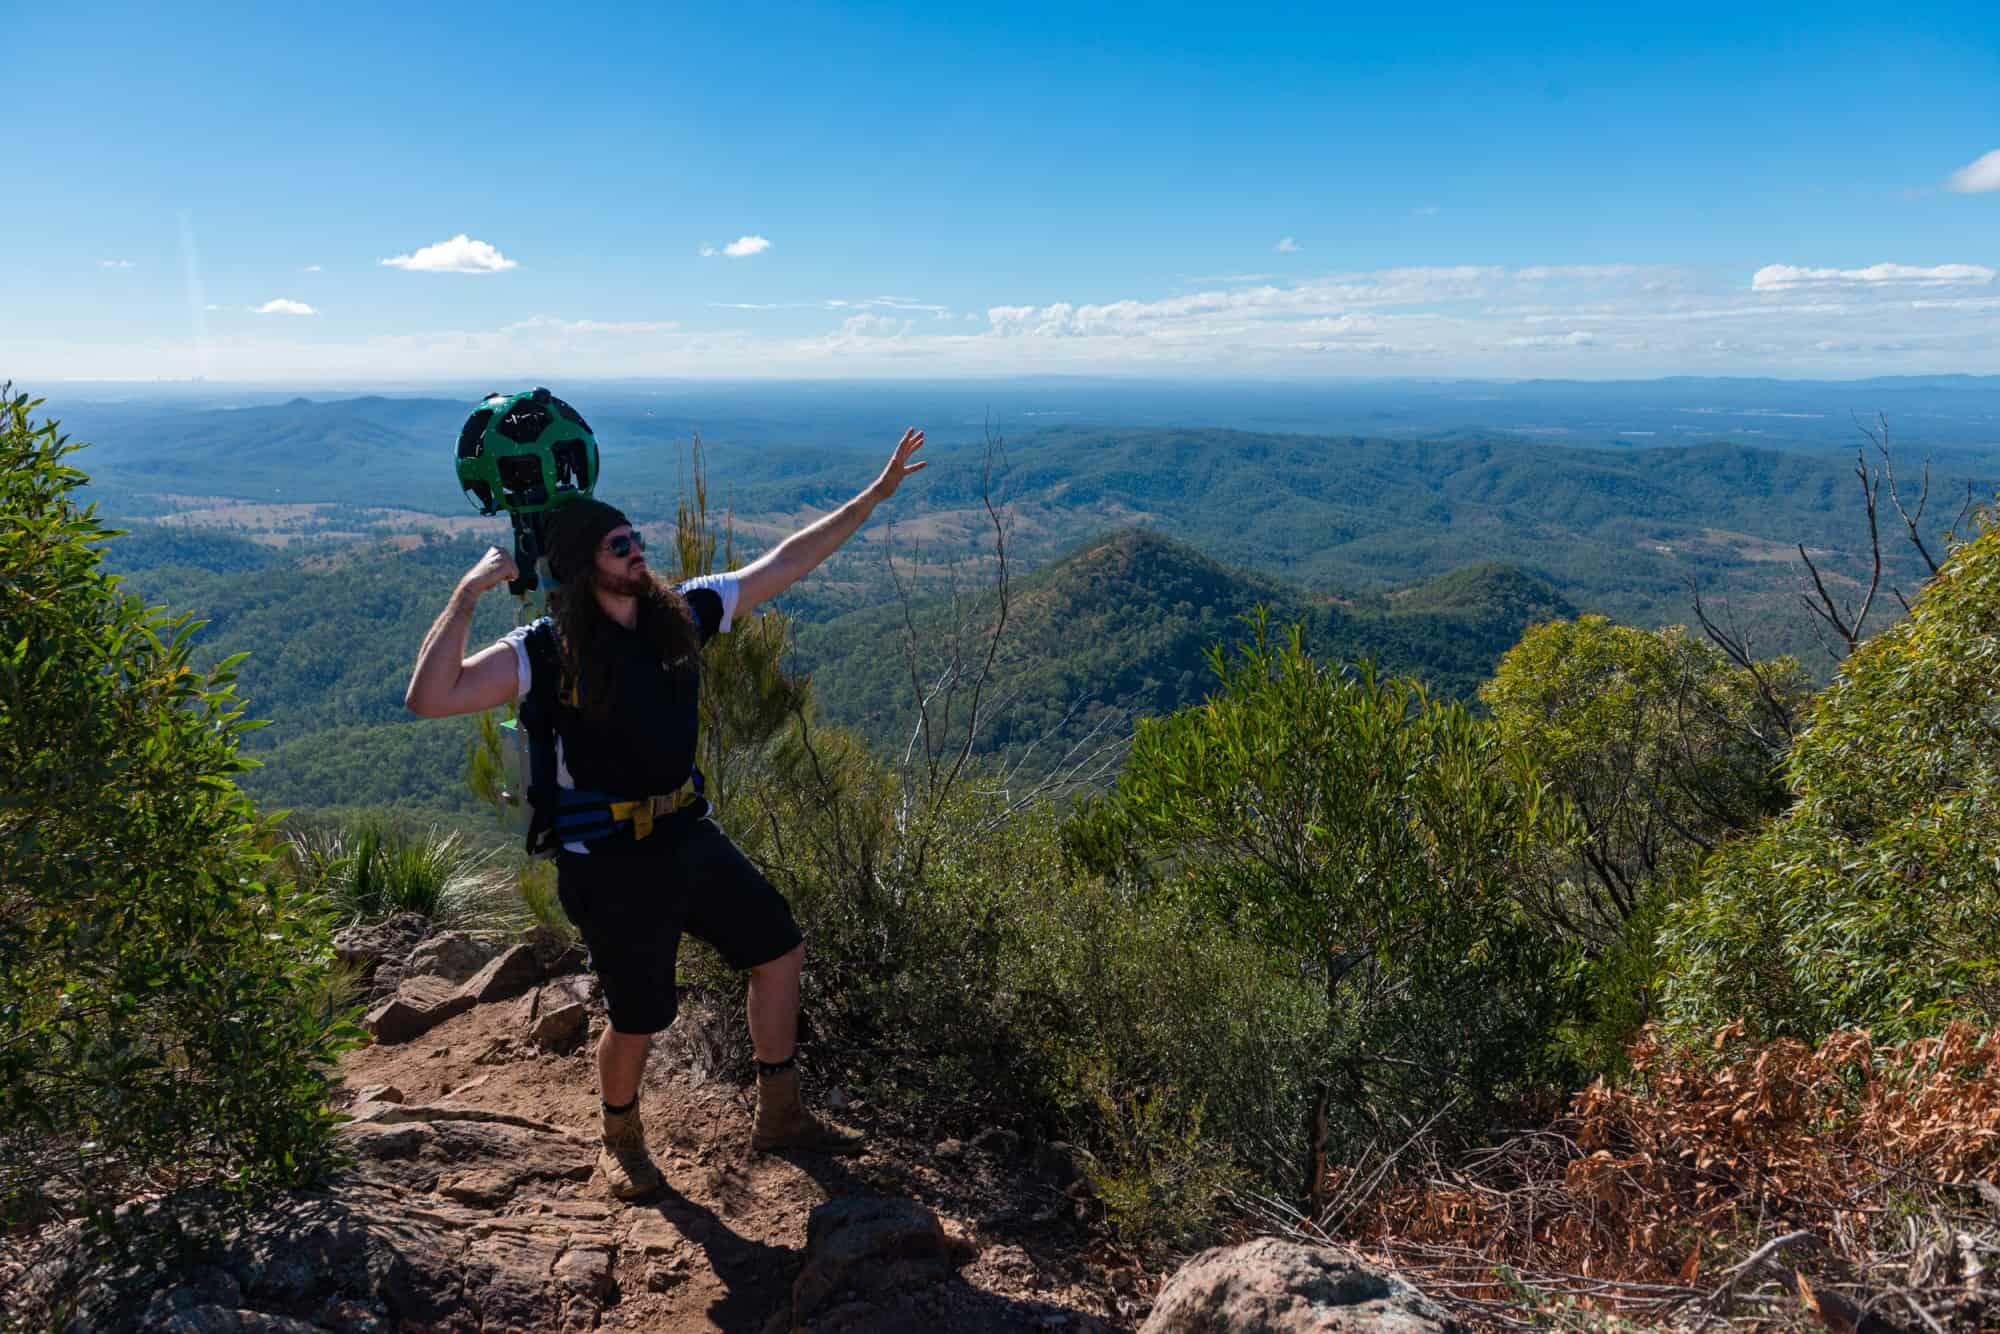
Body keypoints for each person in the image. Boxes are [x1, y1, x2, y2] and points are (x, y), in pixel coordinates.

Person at [405, 424, 927, 1199]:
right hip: (607, 859)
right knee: (640, 1015)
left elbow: (782, 563)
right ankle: (619, 1131)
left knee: (778, 950)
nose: (638, 550)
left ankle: (778, 1113)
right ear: (586, 568)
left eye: (636, 538)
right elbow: (430, 697)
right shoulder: (541, 653)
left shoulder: (681, 612)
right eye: (620, 545)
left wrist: (874, 498)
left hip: (686, 830)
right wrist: (466, 593)